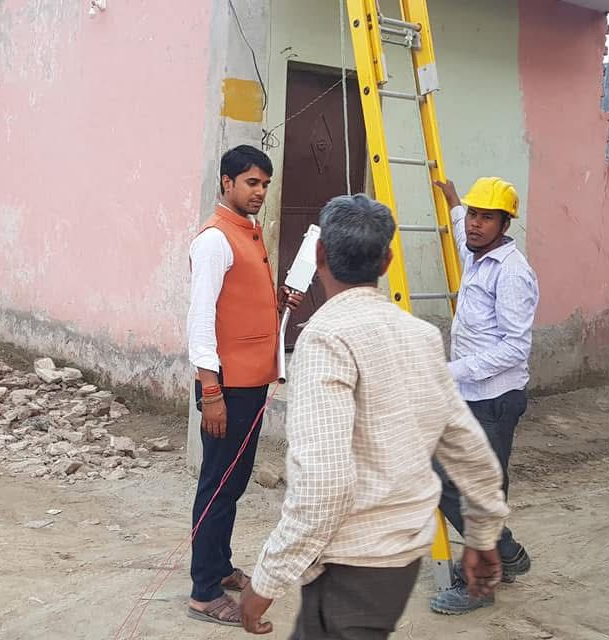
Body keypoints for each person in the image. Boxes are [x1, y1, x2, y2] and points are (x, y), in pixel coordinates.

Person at [239, 194, 510, 639]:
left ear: (320, 253)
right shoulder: (421, 335)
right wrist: (482, 534)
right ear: (386, 262)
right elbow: (469, 449)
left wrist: (266, 580)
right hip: (398, 560)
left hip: (352, 565)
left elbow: (323, 484)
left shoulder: (326, 339)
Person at [185, 145, 301, 626]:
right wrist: (210, 391)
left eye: (266, 185)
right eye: (252, 183)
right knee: (217, 484)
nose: (260, 192)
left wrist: (276, 303)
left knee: (232, 483)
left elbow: (239, 304)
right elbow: (200, 320)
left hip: (250, 382)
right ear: (227, 183)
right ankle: (203, 592)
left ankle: (218, 565)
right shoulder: (214, 239)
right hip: (226, 388)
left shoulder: (248, 233)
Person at [430, 177, 538, 615]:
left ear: (504, 223)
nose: (474, 224)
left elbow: (515, 347)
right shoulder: (478, 254)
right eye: (473, 215)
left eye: (485, 217)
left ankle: (479, 584)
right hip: (469, 394)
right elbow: (461, 232)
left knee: (473, 489)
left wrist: (451, 370)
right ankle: (505, 553)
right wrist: (455, 201)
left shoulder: (512, 273)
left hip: (494, 399)